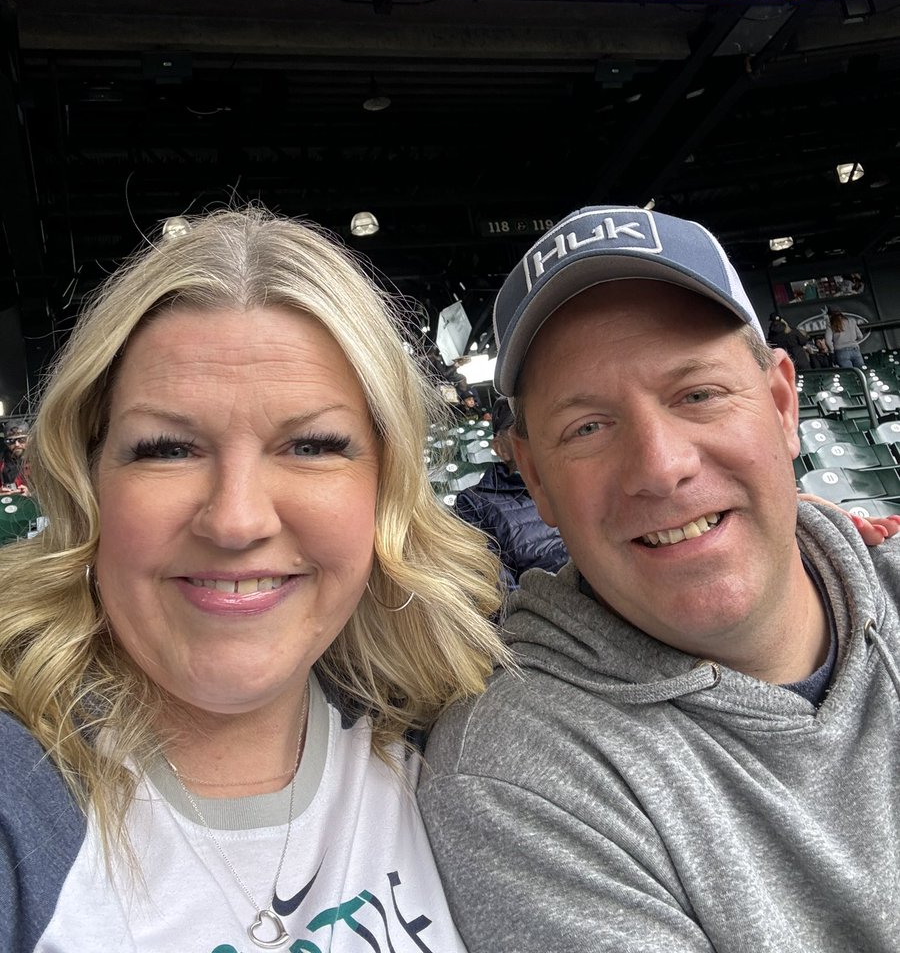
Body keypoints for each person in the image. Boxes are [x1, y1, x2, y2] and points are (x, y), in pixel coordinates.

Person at [0, 207, 510, 952]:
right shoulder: (20, 801)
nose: (236, 521)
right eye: (168, 449)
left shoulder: (463, 739)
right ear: (88, 483)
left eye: (310, 445)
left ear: (386, 484)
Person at [419, 204, 900, 952]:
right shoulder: (518, 778)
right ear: (535, 478)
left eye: (697, 394)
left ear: (781, 404)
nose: (661, 466)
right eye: (588, 427)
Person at [453, 396, 568, 589]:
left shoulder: (573, 480)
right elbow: (496, 593)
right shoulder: (473, 504)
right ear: (500, 449)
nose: (537, 436)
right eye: (524, 429)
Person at [0, 419, 30, 493]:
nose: (17, 444)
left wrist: (32, 493)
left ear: (29, 439)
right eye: (11, 441)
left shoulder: (41, 461)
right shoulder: (2, 462)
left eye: (21, 440)